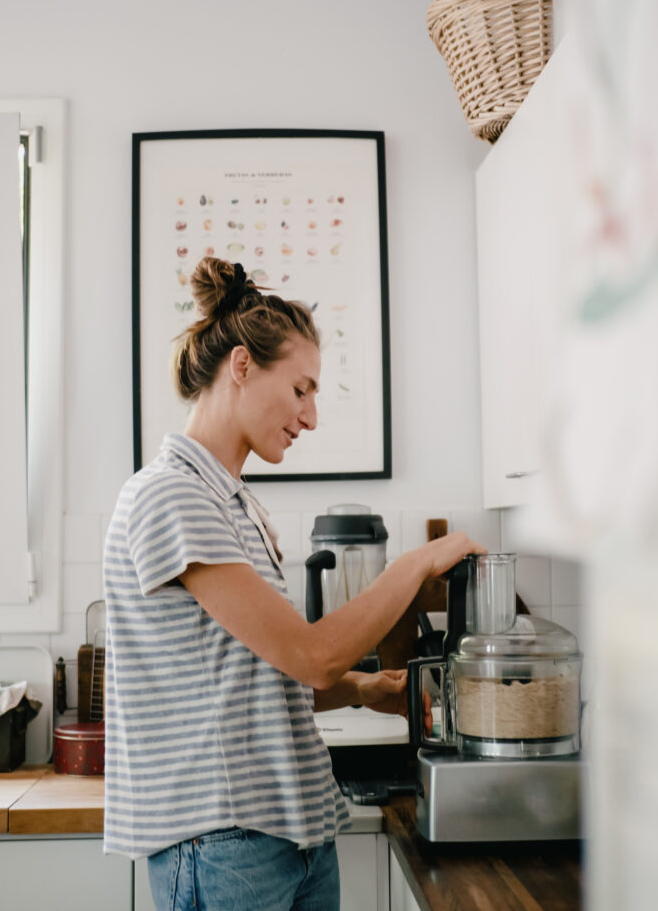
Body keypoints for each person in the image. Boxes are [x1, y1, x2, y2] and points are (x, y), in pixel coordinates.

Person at [103, 257, 485, 911]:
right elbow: (310, 657)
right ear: (244, 366)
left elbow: (250, 679)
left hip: (287, 832)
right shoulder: (171, 497)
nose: (310, 417)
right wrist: (414, 565)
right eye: (302, 389)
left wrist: (365, 689)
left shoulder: (233, 504)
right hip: (224, 843)